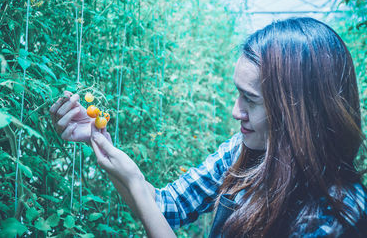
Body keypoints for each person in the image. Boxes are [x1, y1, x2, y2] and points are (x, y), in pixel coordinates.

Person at [49, 17, 367, 237]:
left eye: (250, 100)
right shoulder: (242, 152)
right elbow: (166, 207)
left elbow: (151, 207)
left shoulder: (337, 215)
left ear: (297, 111)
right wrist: (105, 148)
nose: (235, 111)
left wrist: (134, 182)